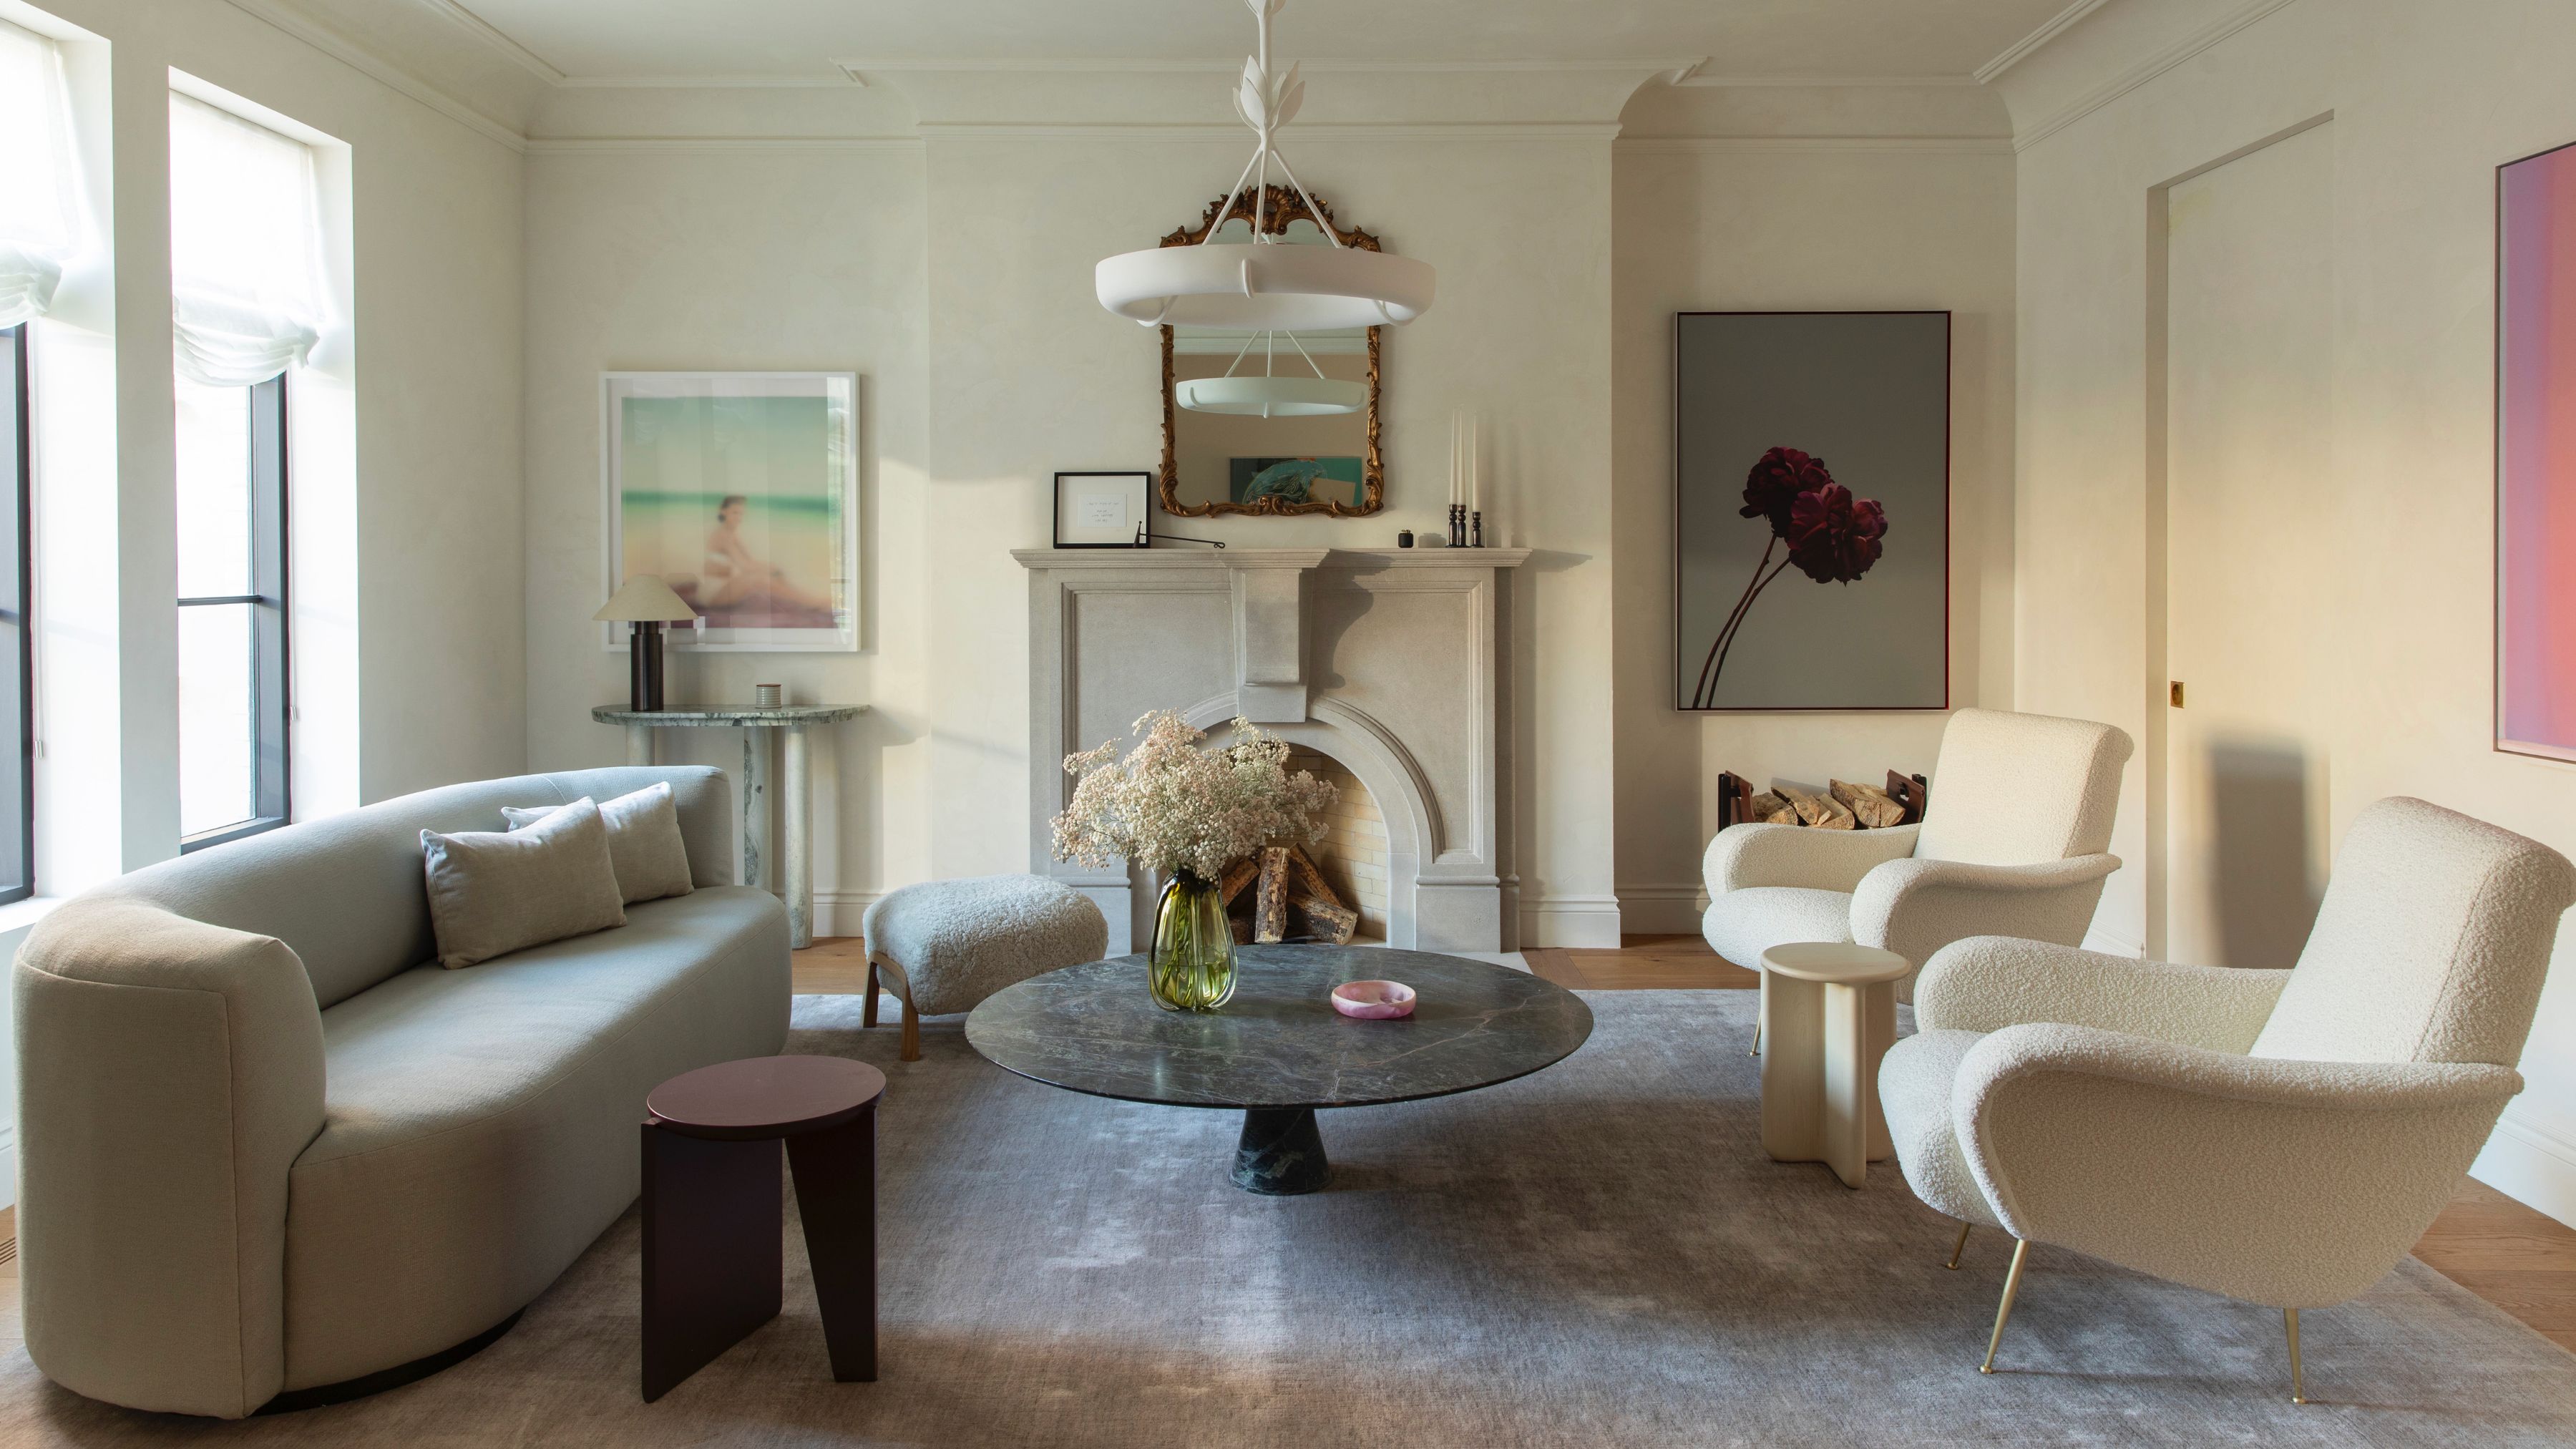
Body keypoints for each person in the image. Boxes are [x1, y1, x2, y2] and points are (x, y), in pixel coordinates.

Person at [703, 493, 831, 615]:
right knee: (759, 579)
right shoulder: (722, 535)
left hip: (726, 586)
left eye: (741, 514)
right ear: (723, 511)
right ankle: (813, 602)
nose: (739, 518)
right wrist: (770, 568)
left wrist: (772, 568)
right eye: (735, 513)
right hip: (713, 593)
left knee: (769, 573)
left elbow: (750, 562)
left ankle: (808, 601)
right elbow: (745, 567)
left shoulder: (731, 534)